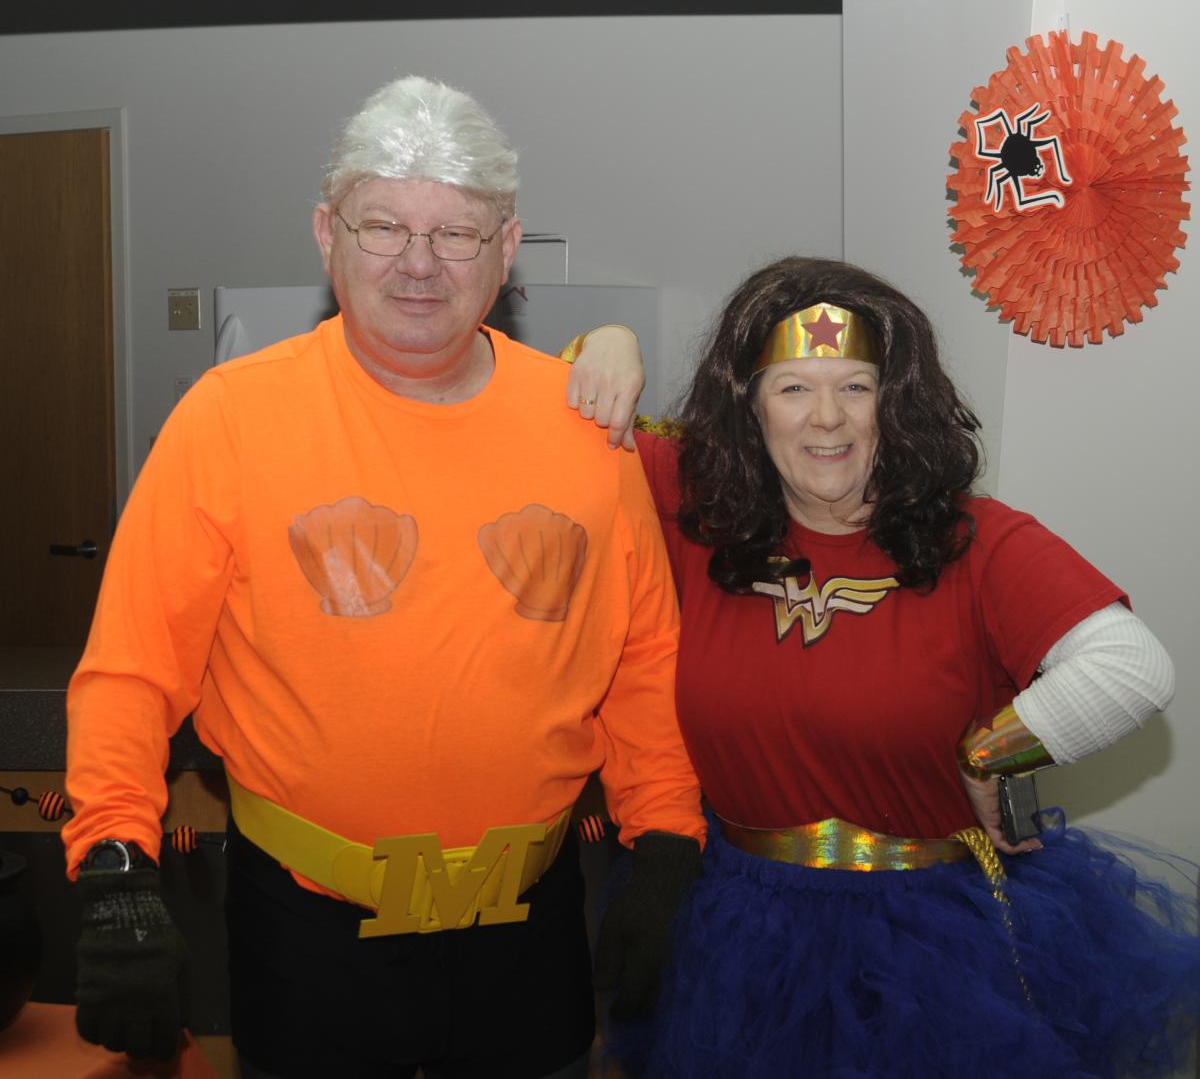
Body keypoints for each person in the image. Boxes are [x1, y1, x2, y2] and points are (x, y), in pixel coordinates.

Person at [62, 75, 705, 1079]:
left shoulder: (588, 426)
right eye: (383, 225)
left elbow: (640, 658)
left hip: (530, 932)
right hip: (306, 935)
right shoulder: (228, 421)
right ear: (326, 233)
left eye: (456, 233)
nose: (418, 263)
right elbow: (132, 670)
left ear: (506, 248)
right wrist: (114, 869)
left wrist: (665, 845)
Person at [595, 255, 1199, 1077]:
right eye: (794, 388)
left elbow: (1131, 667)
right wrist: (610, 339)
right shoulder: (691, 514)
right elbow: (561, 419)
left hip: (935, 947)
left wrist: (996, 750)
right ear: (750, 405)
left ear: (896, 403)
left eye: (855, 386)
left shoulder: (978, 541)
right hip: (735, 934)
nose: (826, 419)